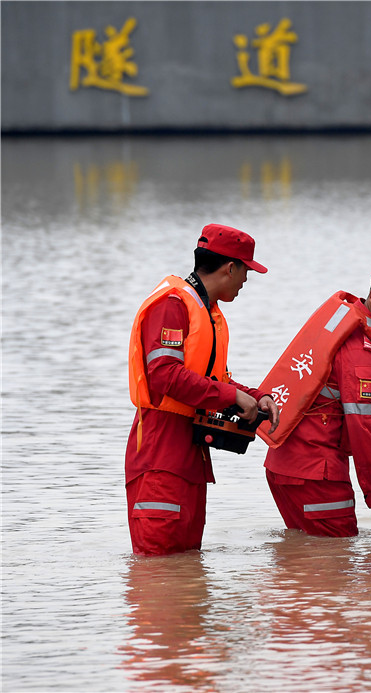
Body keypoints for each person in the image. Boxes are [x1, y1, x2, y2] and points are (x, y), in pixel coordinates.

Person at [125, 223, 279, 556]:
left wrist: (255, 395)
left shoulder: (206, 311)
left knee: (186, 572)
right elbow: (164, 376)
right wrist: (231, 396)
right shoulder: (172, 303)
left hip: (190, 455)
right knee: (159, 571)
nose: (246, 281)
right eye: (246, 272)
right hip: (160, 454)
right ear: (230, 268)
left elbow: (213, 379)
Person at [259, 254, 371, 537]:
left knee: (306, 561)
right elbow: (363, 430)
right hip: (317, 474)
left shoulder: (350, 321)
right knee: (334, 564)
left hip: (283, 465)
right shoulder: (361, 350)